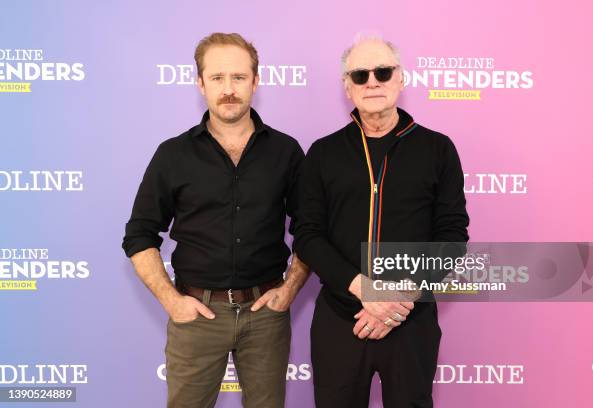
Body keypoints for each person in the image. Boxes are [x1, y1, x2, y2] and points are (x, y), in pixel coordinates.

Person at [122, 32, 309, 408]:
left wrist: (289, 291)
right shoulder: (173, 154)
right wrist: (171, 301)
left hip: (266, 317)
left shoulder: (286, 152)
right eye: (218, 78)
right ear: (200, 83)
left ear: (255, 82)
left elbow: (311, 230)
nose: (229, 89)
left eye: (239, 78)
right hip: (196, 316)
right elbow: (140, 234)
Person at [294, 35, 469, 408]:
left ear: (401, 79)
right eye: (360, 75)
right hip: (342, 317)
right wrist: (365, 290)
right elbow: (307, 236)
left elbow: (452, 237)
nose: (372, 81)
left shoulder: (438, 149)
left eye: (383, 71)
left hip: (411, 317)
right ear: (347, 87)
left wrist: (400, 297)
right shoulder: (323, 153)